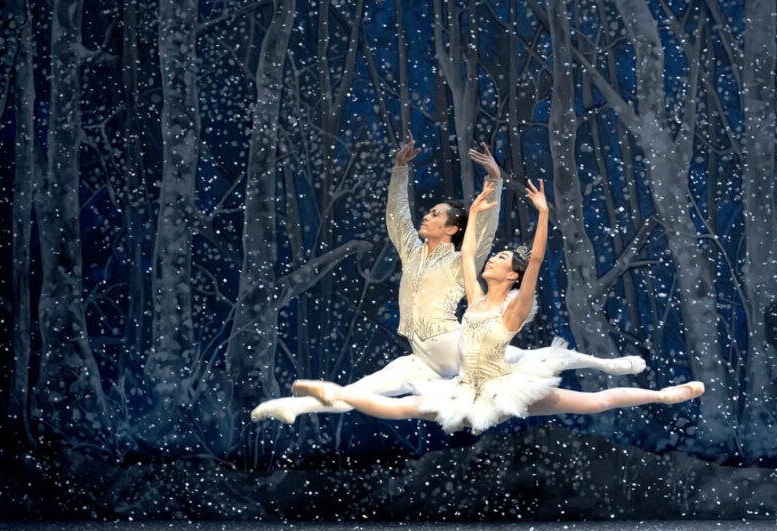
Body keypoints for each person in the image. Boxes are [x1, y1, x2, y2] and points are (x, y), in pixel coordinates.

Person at [251, 132, 644, 424]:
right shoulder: (411, 250)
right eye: (430, 212)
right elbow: (396, 218)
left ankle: (608, 366)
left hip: (451, 344)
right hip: (420, 352)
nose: (427, 216)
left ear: (454, 229)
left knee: (532, 358)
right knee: (362, 391)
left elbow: (484, 232)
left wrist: (496, 182)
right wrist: (400, 169)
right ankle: (295, 407)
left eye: (436, 214)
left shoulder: (460, 261)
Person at [290, 179, 705, 434]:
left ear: (513, 278)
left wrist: (543, 215)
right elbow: (468, 251)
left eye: (503, 259)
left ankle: (663, 396)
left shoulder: (514, 309)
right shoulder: (473, 297)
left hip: (505, 388)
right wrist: (474, 211)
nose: (495, 259)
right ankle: (332, 393)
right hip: (463, 389)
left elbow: (536, 260)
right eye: (497, 256)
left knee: (596, 403)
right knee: (399, 409)